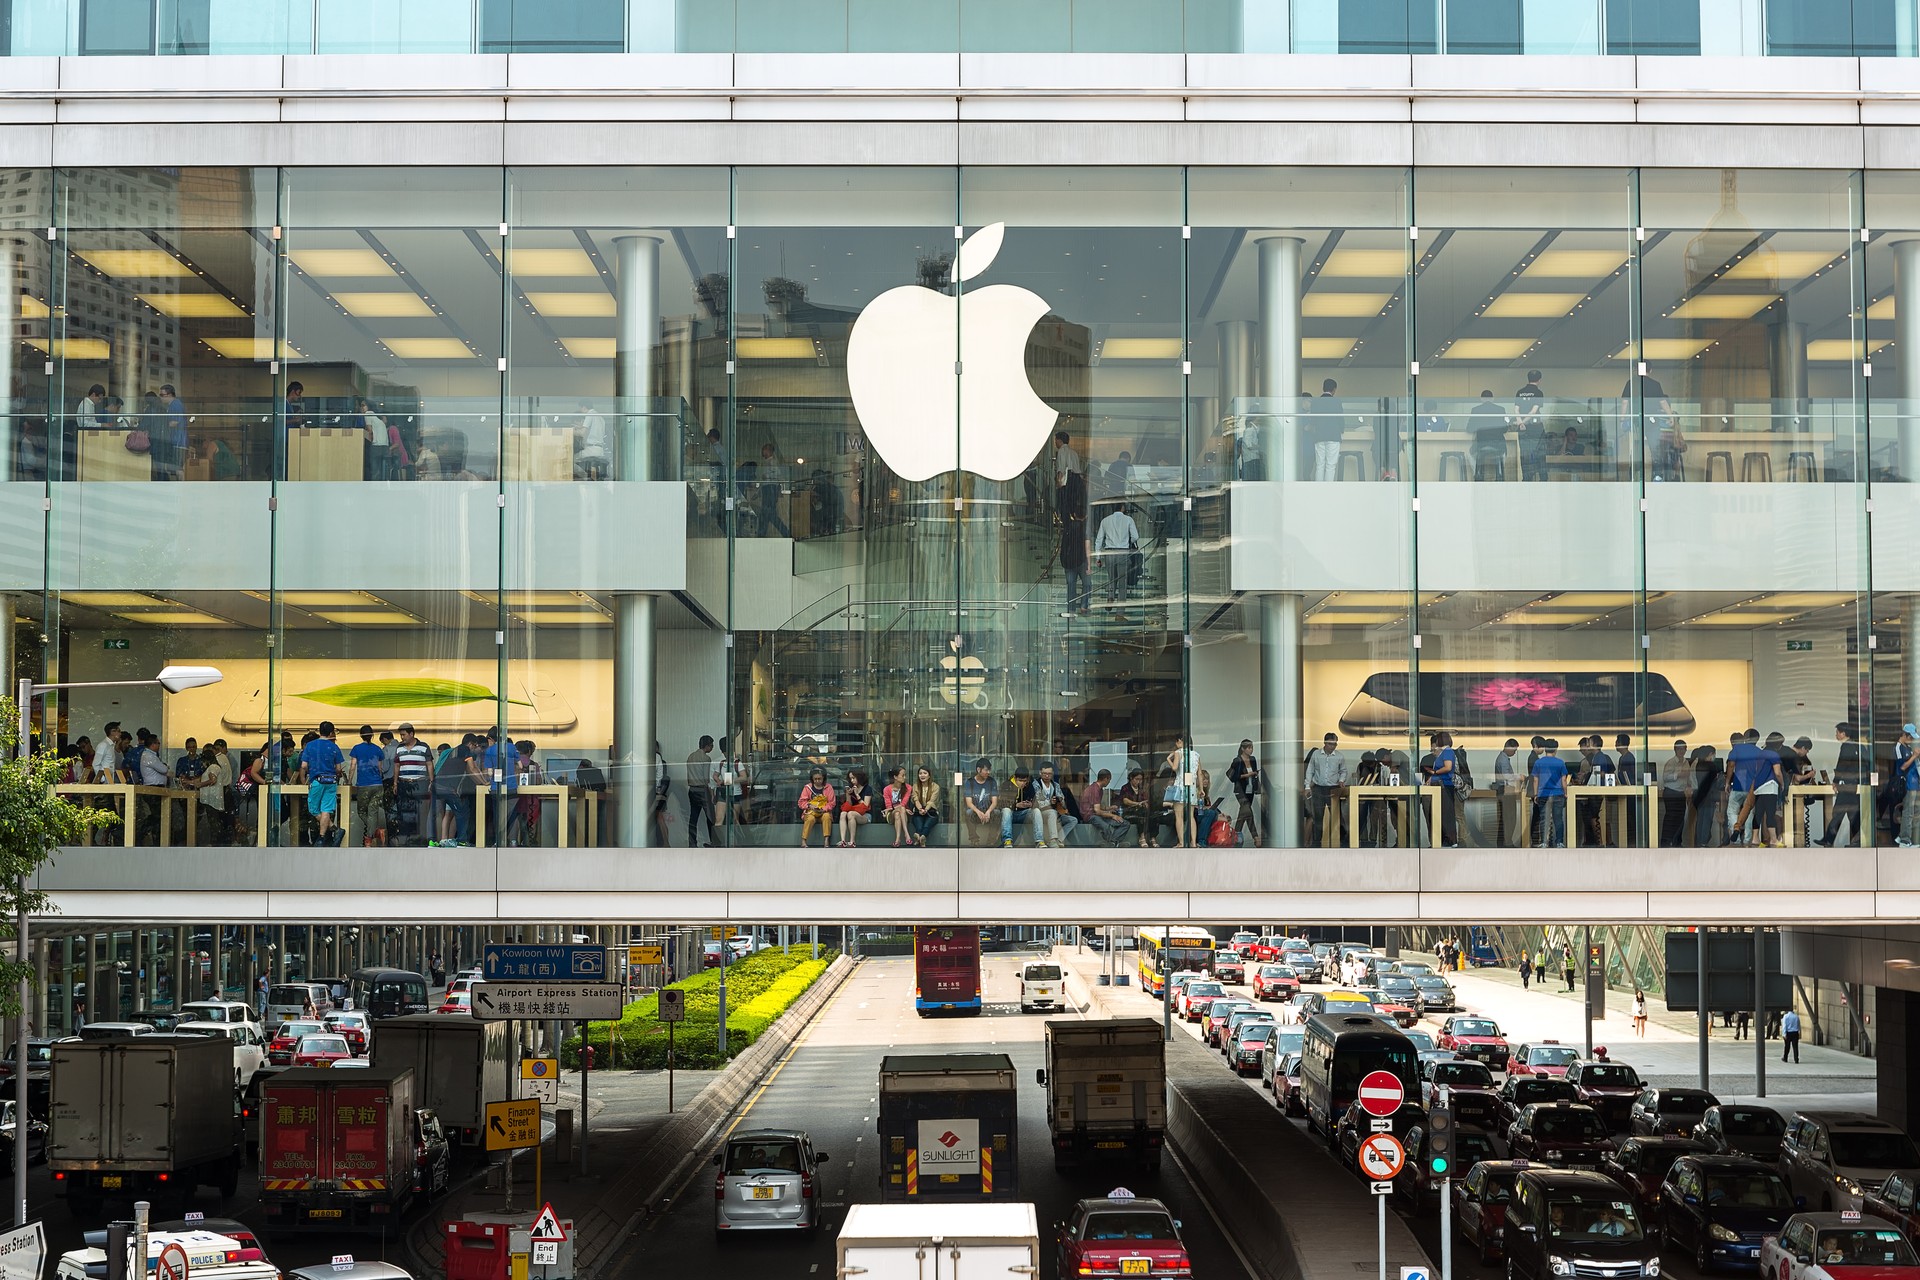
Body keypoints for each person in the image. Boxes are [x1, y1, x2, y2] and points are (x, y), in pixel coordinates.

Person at [1818, 721, 1865, 847]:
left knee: (1839, 812)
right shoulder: (1856, 746)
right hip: (1854, 784)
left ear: (1843, 733)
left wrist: (1836, 781)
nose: (1836, 735)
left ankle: (1829, 840)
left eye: (1837, 732)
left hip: (1846, 785)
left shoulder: (1846, 746)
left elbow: (1842, 765)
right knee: (1852, 814)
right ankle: (1856, 841)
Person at [299, 721, 346, 846]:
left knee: (314, 810)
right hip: (331, 781)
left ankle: (334, 831)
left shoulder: (310, 746)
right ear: (331, 733)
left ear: (319, 731)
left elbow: (303, 766)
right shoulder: (334, 747)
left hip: (317, 780)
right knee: (326, 809)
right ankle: (323, 837)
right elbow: (338, 769)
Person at [1303, 732, 1348, 848]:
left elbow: (1343, 770)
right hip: (1318, 788)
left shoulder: (1339, 756)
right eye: (1330, 744)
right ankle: (1317, 844)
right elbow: (1310, 770)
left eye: (1335, 744)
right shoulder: (1316, 754)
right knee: (1318, 817)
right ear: (1325, 743)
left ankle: (1342, 842)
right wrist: (1307, 786)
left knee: (1337, 816)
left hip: (1334, 788)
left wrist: (1341, 780)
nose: (1333, 746)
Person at [391, 723, 434, 847]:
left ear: (411, 734)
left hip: (419, 783)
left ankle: (420, 840)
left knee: (420, 813)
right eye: (401, 735)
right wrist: (395, 783)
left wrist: (431, 781)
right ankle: (405, 839)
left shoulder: (423, 747)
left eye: (404, 735)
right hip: (404, 783)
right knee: (404, 812)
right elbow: (397, 766)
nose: (402, 737)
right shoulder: (399, 748)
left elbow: (429, 764)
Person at [1094, 502, 1143, 601]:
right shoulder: (1128, 520)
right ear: (1123, 508)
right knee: (1122, 581)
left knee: (1111, 578)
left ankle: (1110, 597)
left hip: (1109, 553)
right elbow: (1135, 536)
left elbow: (1099, 540)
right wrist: (1128, 542)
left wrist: (1098, 557)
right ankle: (1120, 610)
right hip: (1123, 552)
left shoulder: (1105, 520)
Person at [1226, 739, 1264, 846]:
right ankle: (1256, 837)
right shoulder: (1237, 760)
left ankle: (1235, 836)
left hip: (1251, 789)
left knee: (1244, 813)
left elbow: (1254, 772)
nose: (1251, 750)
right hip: (1240, 790)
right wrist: (1248, 775)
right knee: (1247, 810)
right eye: (1248, 748)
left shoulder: (1253, 759)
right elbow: (1233, 777)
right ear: (1243, 749)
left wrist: (1255, 774)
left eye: (1252, 747)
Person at [1165, 735, 1200, 848]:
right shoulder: (1196, 755)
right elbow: (1200, 773)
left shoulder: (1178, 753)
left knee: (1179, 815)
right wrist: (1202, 789)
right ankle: (1193, 842)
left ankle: (1181, 842)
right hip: (1192, 786)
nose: (1176, 743)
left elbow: (1175, 768)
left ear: (1180, 741)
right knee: (1191, 816)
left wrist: (1168, 759)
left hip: (1180, 785)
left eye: (1177, 741)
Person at [1081, 768, 1130, 847]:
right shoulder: (1094, 789)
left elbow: (1097, 806)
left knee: (1125, 824)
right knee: (1106, 826)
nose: (1109, 782)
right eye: (1109, 780)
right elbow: (1097, 811)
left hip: (1096, 814)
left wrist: (1108, 808)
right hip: (1090, 816)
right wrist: (1113, 816)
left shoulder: (1100, 790)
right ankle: (1114, 842)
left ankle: (1113, 842)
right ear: (1106, 778)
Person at [1468, 389, 1509, 480]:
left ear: (1481, 399)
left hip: (1481, 445)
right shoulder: (1500, 409)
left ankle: (1477, 473)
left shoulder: (1475, 410)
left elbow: (1469, 429)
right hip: (1498, 445)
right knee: (1503, 455)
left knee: (1470, 454)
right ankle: (1500, 473)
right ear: (1493, 399)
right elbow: (1505, 428)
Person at [1429, 731, 1461, 848]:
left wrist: (1435, 772)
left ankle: (1451, 840)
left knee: (1447, 814)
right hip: (1440, 786)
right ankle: (1444, 839)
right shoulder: (1443, 752)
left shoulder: (1447, 752)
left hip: (1445, 786)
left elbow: (1447, 767)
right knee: (1442, 813)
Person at [1514, 370, 1547, 480]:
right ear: (1539, 380)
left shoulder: (1519, 392)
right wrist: (1524, 422)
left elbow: (1516, 410)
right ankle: (1543, 479)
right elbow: (1533, 412)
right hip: (1536, 428)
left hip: (1523, 429)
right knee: (1540, 454)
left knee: (1525, 455)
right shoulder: (1539, 393)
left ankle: (1527, 479)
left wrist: (1520, 423)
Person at [686, 735, 717, 848]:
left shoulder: (691, 756)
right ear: (707, 745)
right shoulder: (706, 758)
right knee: (710, 817)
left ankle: (692, 843)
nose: (712, 748)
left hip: (692, 790)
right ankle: (713, 841)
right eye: (712, 745)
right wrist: (712, 794)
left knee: (693, 818)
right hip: (702, 790)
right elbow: (706, 779)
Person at [1311, 378, 1344, 481]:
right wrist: (1342, 429)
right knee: (1330, 465)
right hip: (1333, 436)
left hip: (1319, 436)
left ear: (1323, 388)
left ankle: (1319, 489)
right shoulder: (1337, 401)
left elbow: (1313, 419)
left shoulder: (1315, 402)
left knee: (1319, 465)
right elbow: (1340, 419)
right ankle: (1327, 490)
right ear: (1334, 389)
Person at [796, 767, 835, 849]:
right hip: (811, 812)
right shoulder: (807, 788)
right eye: (815, 779)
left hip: (824, 812)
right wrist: (809, 805)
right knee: (810, 819)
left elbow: (832, 803)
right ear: (812, 779)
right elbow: (801, 802)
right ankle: (803, 840)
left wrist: (823, 809)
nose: (817, 781)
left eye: (819, 779)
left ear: (823, 778)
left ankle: (826, 840)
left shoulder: (829, 787)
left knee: (827, 817)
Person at [1119, 767, 1158, 847]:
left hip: (1141, 810)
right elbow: (1125, 801)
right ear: (1131, 778)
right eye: (1136, 779)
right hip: (1129, 811)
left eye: (1140, 780)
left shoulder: (1141, 789)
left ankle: (1153, 838)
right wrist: (1137, 803)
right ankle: (1142, 837)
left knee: (1153, 816)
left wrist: (1145, 803)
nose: (1139, 782)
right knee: (1141, 814)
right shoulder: (1125, 788)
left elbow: (1145, 799)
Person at [907, 766, 941, 846]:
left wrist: (925, 809)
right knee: (919, 826)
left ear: (929, 775)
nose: (922, 775)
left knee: (926, 825)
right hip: (918, 811)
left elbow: (932, 801)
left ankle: (919, 837)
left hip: (931, 812)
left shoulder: (935, 787)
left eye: (925, 773)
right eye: (920, 773)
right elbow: (915, 800)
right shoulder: (915, 786)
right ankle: (922, 839)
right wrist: (920, 809)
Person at [576, 400, 610, 480]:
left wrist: (571, 431)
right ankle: (591, 476)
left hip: (591, 449)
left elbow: (582, 433)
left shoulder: (590, 414)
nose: (581, 412)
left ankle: (585, 478)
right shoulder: (601, 418)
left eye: (581, 410)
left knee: (572, 458)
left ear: (583, 407)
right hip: (600, 449)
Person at [836, 769, 870, 847]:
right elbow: (848, 805)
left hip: (865, 815)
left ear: (859, 777)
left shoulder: (867, 788)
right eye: (850, 778)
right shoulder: (851, 788)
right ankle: (843, 840)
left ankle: (852, 841)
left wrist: (857, 795)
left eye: (854, 778)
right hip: (852, 812)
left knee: (851, 814)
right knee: (843, 813)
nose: (852, 780)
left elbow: (866, 806)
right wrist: (848, 795)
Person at [884, 766, 915, 847]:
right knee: (901, 809)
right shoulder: (886, 789)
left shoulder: (908, 787)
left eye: (905, 775)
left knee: (899, 812)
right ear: (895, 777)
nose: (905, 777)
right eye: (903, 775)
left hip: (901, 813)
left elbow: (904, 802)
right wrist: (902, 808)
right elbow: (889, 807)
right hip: (891, 813)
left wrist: (902, 808)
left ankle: (897, 840)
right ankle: (906, 834)